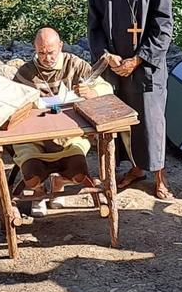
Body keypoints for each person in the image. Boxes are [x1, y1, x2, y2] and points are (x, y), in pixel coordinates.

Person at [87, 0, 175, 200]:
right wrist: (106, 56)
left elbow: (163, 28)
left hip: (146, 68)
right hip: (113, 68)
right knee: (117, 122)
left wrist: (138, 60)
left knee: (151, 122)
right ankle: (133, 170)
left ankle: (159, 177)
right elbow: (95, 24)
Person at [12, 27, 110, 215]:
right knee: (32, 171)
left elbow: (106, 89)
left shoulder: (75, 65)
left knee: (77, 170)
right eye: (41, 53)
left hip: (70, 135)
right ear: (35, 48)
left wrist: (93, 93)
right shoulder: (25, 73)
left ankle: (59, 185)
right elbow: (13, 101)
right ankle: (38, 192)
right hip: (35, 137)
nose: (46, 58)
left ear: (61, 46)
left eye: (51, 52)